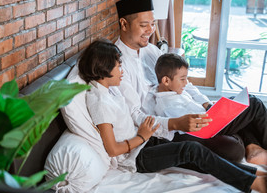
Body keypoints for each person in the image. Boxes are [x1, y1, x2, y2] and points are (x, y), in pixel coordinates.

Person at [78, 39, 267, 193]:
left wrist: (147, 133)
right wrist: (142, 136)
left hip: (146, 141)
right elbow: (112, 149)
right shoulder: (99, 102)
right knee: (191, 150)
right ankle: (253, 183)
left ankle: (252, 175)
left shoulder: (111, 91)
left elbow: (134, 115)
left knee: (198, 156)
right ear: (104, 67)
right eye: (119, 66)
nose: (122, 71)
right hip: (138, 156)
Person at [114, 0, 267, 165]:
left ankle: (252, 145)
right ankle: (249, 144)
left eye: (153, 23)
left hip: (190, 115)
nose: (150, 30)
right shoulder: (117, 65)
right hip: (169, 129)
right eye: (144, 25)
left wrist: (206, 104)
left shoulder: (151, 50)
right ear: (124, 24)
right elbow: (135, 115)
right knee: (234, 150)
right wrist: (174, 123)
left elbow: (182, 81)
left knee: (249, 104)